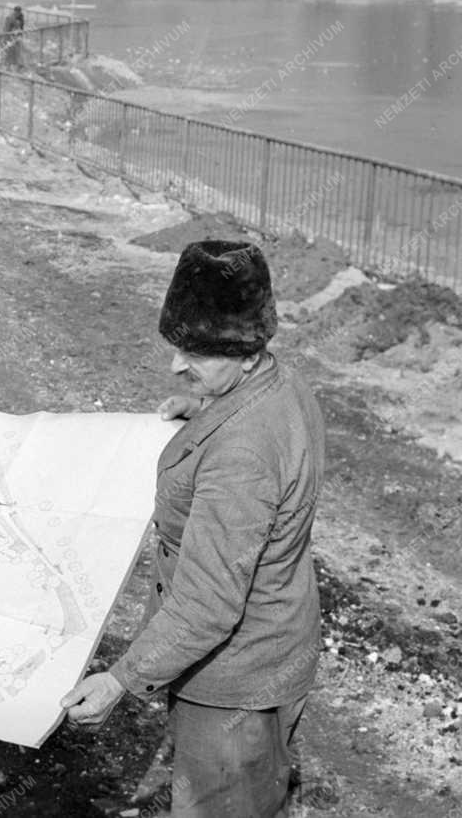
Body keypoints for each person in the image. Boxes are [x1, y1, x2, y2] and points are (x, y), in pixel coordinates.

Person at [62, 240, 325, 818]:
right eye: (179, 347)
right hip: (277, 644)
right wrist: (206, 407)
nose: (176, 365)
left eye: (199, 355)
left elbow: (207, 605)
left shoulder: (241, 457)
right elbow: (256, 428)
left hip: (235, 680)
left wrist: (119, 680)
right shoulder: (280, 383)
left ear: (249, 354)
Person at [2, 4, 25, 69]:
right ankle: (8, 66)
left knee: (15, 51)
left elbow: (20, 28)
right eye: (17, 12)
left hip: (14, 37)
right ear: (15, 11)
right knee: (9, 52)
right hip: (9, 37)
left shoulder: (18, 17)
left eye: (19, 12)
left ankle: (17, 64)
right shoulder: (10, 17)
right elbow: (8, 29)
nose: (18, 13)